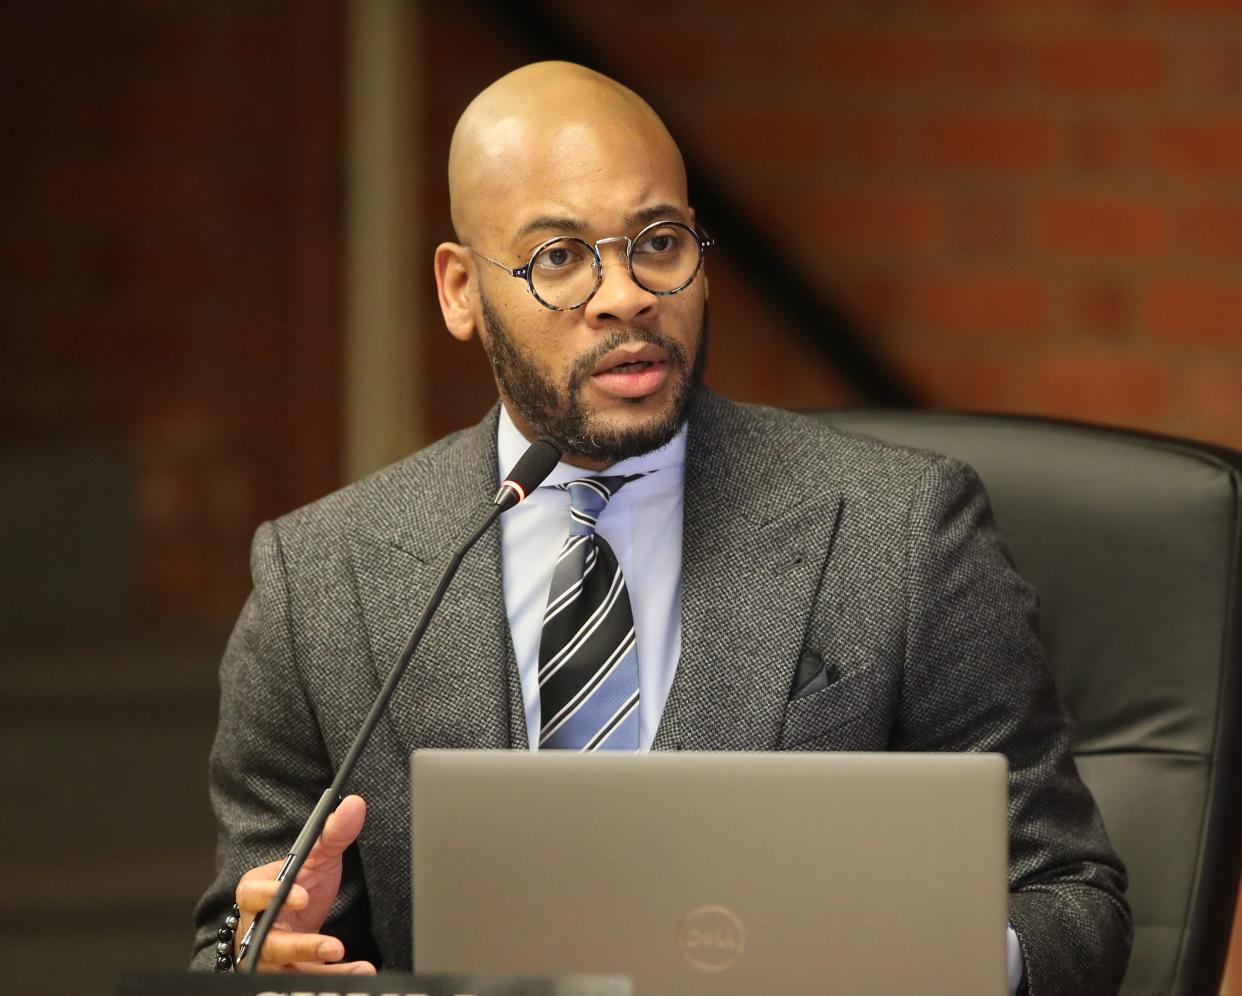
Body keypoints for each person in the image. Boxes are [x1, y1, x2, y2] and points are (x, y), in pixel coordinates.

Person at [192, 62, 1131, 994]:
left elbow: (1069, 897)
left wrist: (940, 958)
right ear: (459, 292)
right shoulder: (322, 578)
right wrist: (263, 960)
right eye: (559, 257)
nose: (626, 295)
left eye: (660, 241)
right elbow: (239, 936)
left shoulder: (902, 531)